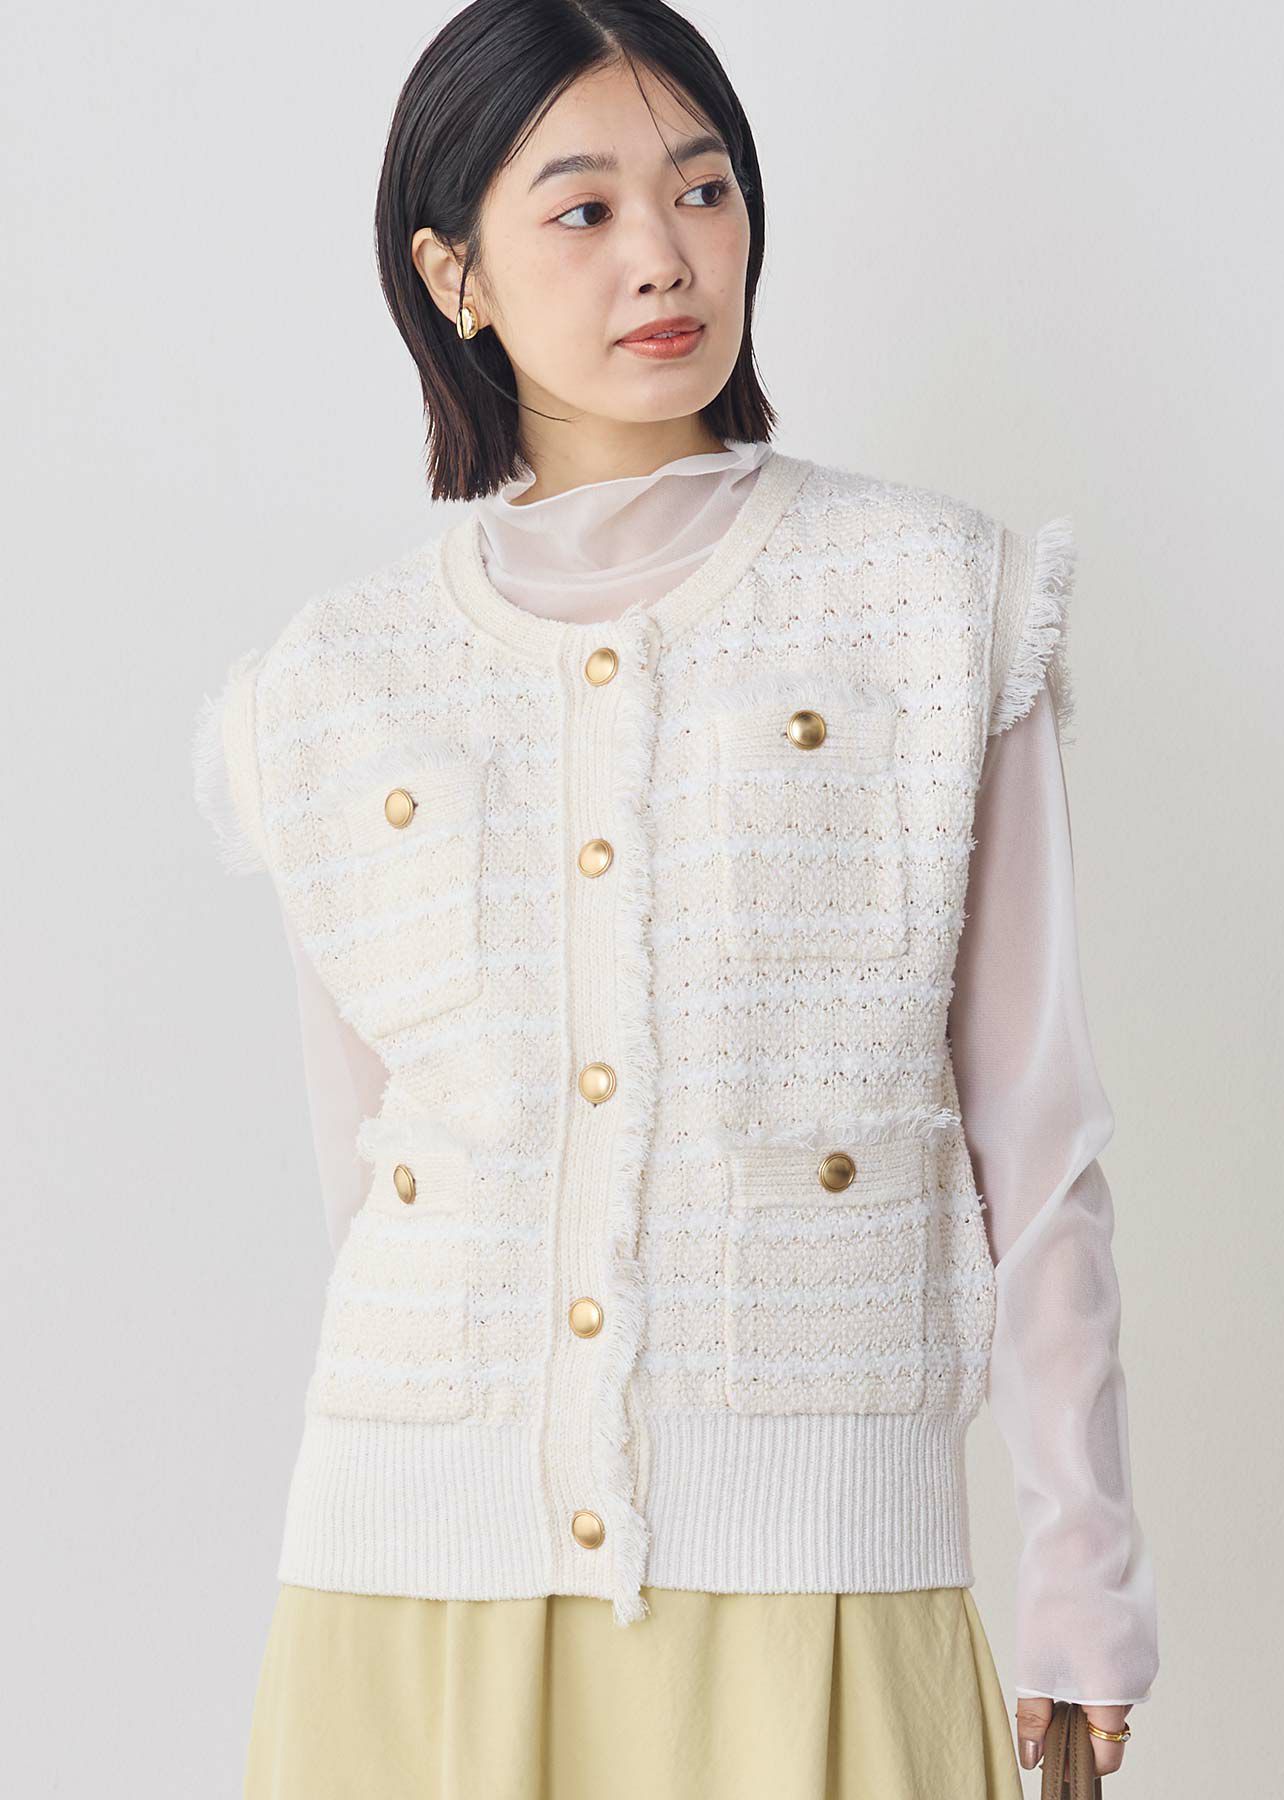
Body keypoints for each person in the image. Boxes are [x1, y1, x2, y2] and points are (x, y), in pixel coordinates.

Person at [192, 4, 1159, 1794]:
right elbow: (366, 1182)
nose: (665, 254)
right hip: (407, 1593)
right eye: (583, 209)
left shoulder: (934, 605)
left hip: (816, 1573)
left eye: (704, 190)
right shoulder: (333, 686)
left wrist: (1079, 1569)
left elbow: (1038, 1140)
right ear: (453, 274)